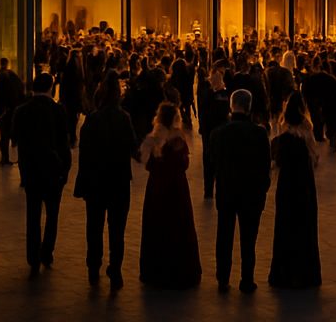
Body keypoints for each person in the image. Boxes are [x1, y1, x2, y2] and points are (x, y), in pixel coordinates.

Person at [73, 71, 136, 288]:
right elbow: (132, 146)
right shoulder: (123, 119)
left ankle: (93, 265)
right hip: (119, 180)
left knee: (95, 226)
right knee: (117, 229)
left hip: (96, 180)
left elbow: (84, 151)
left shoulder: (93, 120)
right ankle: (115, 269)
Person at [208, 88, 272, 292]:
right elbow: (265, 165)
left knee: (224, 235)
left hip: (227, 191)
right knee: (248, 238)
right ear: (249, 106)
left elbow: (213, 162)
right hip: (251, 193)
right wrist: (263, 188)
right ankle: (247, 277)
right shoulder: (259, 133)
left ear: (231, 105)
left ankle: (223, 276)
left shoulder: (219, 132)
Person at [11, 72, 72, 273]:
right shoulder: (57, 110)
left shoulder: (22, 110)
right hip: (53, 170)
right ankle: (47, 252)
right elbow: (64, 141)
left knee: (33, 212)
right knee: (52, 214)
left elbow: (16, 138)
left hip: (30, 169)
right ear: (50, 88)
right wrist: (66, 168)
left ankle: (32, 255)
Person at [138, 101, 202, 288]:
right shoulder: (178, 140)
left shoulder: (154, 139)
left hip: (157, 185)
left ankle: (155, 269)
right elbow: (183, 164)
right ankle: (179, 268)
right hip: (176, 185)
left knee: (156, 224)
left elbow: (148, 164)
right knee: (178, 224)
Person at [268, 92, 321, 289]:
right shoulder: (307, 130)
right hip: (304, 182)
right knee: (305, 225)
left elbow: (277, 160)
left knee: (284, 224)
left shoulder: (282, 132)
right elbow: (314, 157)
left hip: (286, 183)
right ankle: (306, 271)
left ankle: (284, 270)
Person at [199, 67, 232, 199]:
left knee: (219, 163)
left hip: (221, 133)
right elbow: (204, 107)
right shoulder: (207, 92)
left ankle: (219, 189)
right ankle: (208, 190)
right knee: (208, 161)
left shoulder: (226, 94)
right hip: (209, 132)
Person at [0, 57, 26, 165]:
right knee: (9, 132)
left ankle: (5, 157)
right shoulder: (11, 76)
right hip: (10, 109)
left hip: (3, 111)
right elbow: (20, 87)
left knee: (4, 134)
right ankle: (8, 155)